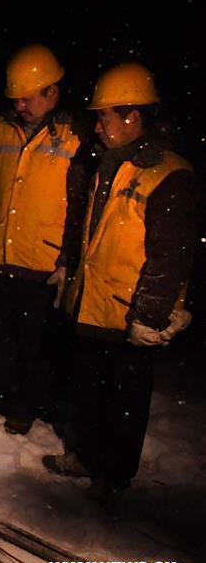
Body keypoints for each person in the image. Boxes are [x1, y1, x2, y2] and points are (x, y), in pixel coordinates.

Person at [43, 63, 198, 503]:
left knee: (126, 398)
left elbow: (172, 255)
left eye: (105, 116)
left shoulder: (170, 175)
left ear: (134, 117)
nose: (97, 124)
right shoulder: (106, 163)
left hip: (129, 310)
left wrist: (149, 315)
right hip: (94, 300)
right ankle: (88, 458)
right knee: (89, 387)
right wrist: (69, 269)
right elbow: (87, 226)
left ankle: (115, 475)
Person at [0, 44, 89, 434]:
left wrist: (68, 258)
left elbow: (80, 207)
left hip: (41, 259)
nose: (19, 103)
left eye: (27, 96)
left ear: (52, 92)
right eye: (15, 96)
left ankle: (26, 406)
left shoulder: (75, 136)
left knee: (34, 343)